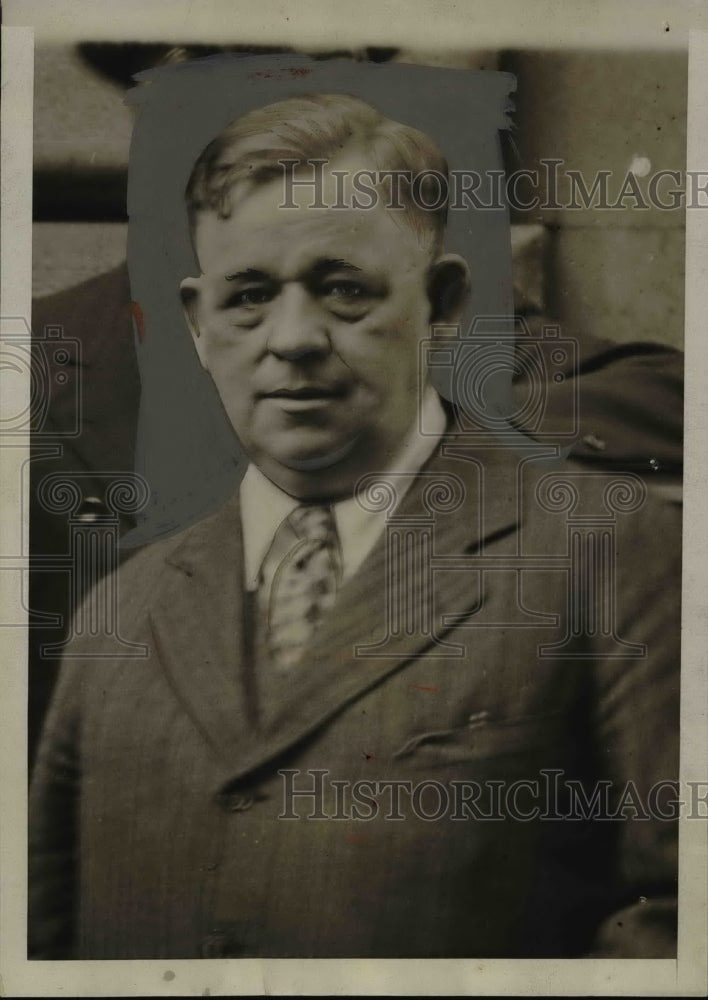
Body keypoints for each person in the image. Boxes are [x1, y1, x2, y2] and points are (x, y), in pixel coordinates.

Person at [29, 93, 680, 960]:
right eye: (249, 297)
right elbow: (44, 931)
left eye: (343, 291)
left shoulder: (607, 551)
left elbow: (681, 915)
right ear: (197, 324)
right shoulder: (124, 606)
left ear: (442, 305)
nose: (292, 338)